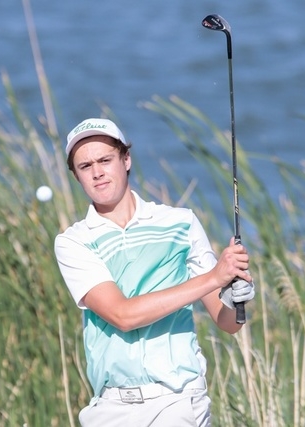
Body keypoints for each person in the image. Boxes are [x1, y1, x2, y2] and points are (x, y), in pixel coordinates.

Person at [54, 118, 256, 427]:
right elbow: (123, 316)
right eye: (85, 166)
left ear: (126, 159)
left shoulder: (181, 223)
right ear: (76, 175)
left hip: (178, 401)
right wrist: (214, 278)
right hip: (110, 408)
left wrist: (233, 298)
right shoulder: (73, 241)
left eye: (105, 160)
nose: (97, 172)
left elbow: (226, 322)